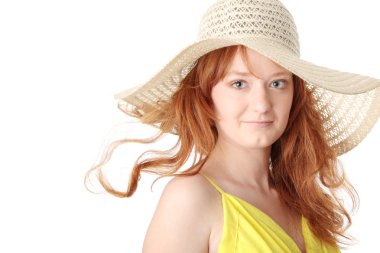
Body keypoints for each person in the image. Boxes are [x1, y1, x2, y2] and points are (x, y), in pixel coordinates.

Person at [86, 0, 380, 252]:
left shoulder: (304, 199)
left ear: (295, 94)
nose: (262, 103)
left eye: (277, 83)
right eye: (239, 83)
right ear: (206, 94)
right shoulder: (191, 198)